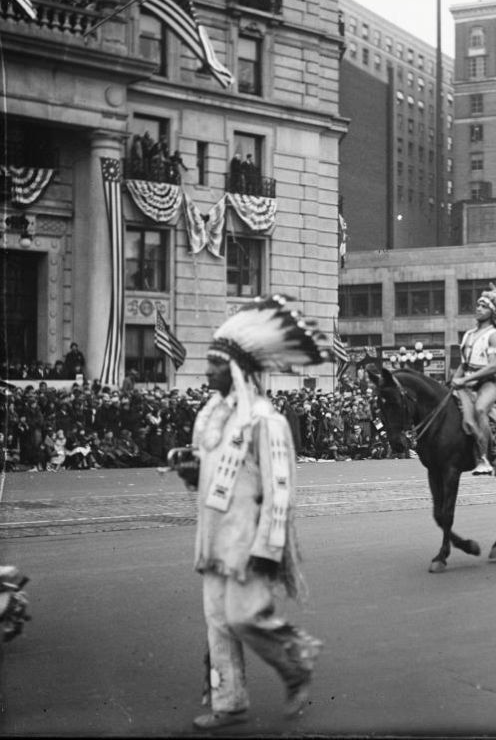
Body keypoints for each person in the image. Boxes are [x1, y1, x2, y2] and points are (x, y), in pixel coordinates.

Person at [172, 295, 330, 730]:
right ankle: (228, 702)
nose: (207, 372)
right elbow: (213, 478)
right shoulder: (212, 417)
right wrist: (192, 472)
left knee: (244, 617)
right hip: (213, 540)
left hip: (248, 541)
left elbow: (280, 489)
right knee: (218, 624)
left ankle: (298, 659)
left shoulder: (266, 420)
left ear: (237, 371)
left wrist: (270, 545)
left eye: (215, 364)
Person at [450, 283, 496, 475]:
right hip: (467, 381)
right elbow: (463, 364)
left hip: (488, 384)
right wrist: (453, 382)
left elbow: (492, 366)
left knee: (480, 409)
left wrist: (465, 380)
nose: (478, 308)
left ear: (492, 311)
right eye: (477, 305)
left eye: (483, 306)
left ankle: (485, 457)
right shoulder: (468, 335)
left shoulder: (495, 336)